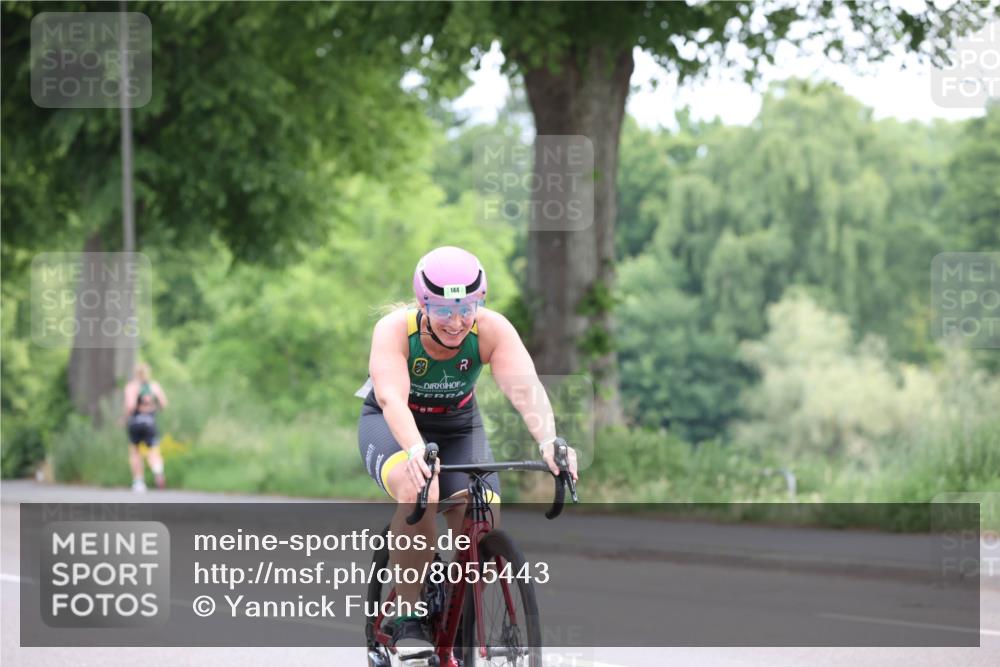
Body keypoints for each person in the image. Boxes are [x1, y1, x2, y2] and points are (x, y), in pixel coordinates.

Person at [357, 246, 579, 656]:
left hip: (459, 426)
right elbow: (391, 399)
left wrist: (550, 440)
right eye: (444, 311)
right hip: (395, 424)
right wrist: (416, 452)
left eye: (468, 308)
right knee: (421, 489)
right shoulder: (394, 331)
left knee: (484, 516)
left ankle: (454, 610)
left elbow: (525, 388)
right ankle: (410, 607)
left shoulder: (492, 330)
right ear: (424, 305)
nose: (458, 322)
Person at [121, 362, 169, 492]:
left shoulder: (131, 387)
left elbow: (130, 406)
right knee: (153, 450)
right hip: (150, 422)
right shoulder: (154, 386)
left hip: (135, 422)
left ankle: (138, 482)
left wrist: (124, 419)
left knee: (135, 452)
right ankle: (157, 470)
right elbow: (164, 404)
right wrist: (153, 409)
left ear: (135, 373)